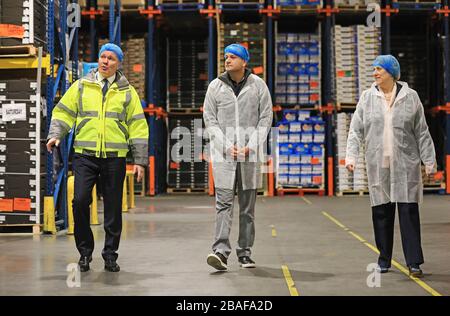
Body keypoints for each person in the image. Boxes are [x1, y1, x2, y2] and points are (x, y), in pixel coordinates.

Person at [46, 43, 149, 272]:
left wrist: (140, 161)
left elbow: (139, 128)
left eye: (111, 58)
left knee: (113, 209)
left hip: (114, 158)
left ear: (118, 63)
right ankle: (85, 252)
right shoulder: (82, 86)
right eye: (102, 56)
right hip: (85, 155)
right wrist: (56, 135)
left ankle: (110, 255)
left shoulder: (127, 92)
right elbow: (63, 112)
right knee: (80, 200)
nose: (105, 61)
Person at [346, 55, 436, 277]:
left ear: (392, 73)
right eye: (374, 69)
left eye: (379, 69)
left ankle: (414, 262)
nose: (375, 73)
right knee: (381, 213)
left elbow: (422, 132)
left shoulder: (410, 97)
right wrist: (352, 156)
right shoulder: (367, 98)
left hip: (405, 165)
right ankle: (384, 258)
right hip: (378, 164)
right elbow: (356, 130)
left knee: (408, 213)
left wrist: (429, 160)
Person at [203, 44, 273, 271]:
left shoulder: (258, 86)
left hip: (250, 156)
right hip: (224, 156)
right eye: (226, 56)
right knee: (223, 204)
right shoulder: (215, 87)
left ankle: (245, 253)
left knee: (247, 208)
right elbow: (210, 120)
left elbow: (265, 119)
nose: (227, 60)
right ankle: (220, 252)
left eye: (233, 57)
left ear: (244, 62)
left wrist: (250, 147)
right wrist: (226, 146)